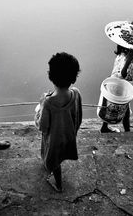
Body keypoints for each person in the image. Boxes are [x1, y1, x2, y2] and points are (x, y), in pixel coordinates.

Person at [35, 52, 82, 192]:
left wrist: (39, 109)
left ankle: (58, 185)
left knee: (54, 161)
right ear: (73, 78)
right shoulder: (76, 93)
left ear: (51, 77)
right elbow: (78, 115)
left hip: (54, 141)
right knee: (61, 155)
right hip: (68, 136)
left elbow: (42, 126)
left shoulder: (48, 103)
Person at [100, 45, 133, 133]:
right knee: (126, 112)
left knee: (108, 107)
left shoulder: (120, 55)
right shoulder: (127, 60)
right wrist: (129, 60)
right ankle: (127, 131)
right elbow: (123, 74)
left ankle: (104, 127)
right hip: (121, 88)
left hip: (113, 84)